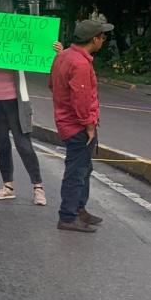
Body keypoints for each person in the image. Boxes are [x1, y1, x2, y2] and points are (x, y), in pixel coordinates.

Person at [0, 32, 63, 206]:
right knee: (2, 145)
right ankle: (8, 187)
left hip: (16, 103)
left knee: (24, 145)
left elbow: (40, 55)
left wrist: (57, 53)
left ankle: (38, 188)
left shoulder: (20, 48)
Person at [50, 19, 112, 233]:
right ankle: (68, 216)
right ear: (94, 39)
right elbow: (82, 99)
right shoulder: (80, 63)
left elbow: (53, 85)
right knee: (76, 172)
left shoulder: (63, 55)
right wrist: (89, 126)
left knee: (84, 169)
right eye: (102, 37)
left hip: (66, 121)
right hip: (77, 126)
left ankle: (79, 208)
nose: (103, 41)